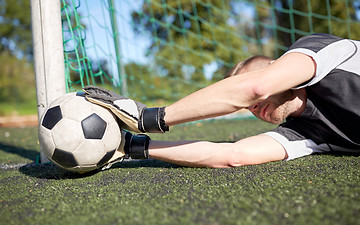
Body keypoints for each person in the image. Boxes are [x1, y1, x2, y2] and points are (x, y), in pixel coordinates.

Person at [83, 33, 360, 168]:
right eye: (242, 107)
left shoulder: (328, 51)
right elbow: (232, 155)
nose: (249, 107)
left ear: (276, 66)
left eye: (244, 96)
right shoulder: (305, 134)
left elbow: (257, 87)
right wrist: (133, 146)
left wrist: (147, 118)